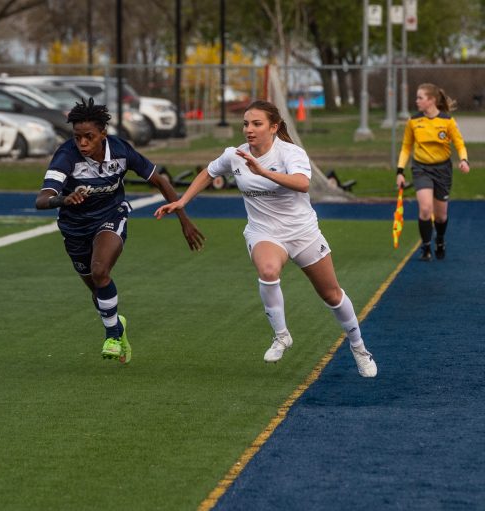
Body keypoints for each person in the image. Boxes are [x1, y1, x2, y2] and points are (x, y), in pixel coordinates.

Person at [154, 100, 377, 378]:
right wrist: (182, 201)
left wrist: (262, 171)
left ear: (274, 127)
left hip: (303, 232)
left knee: (331, 294)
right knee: (268, 270)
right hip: (264, 232)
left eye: (256, 124)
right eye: (246, 123)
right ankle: (281, 335)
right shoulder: (234, 155)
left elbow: (303, 183)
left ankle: (359, 349)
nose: (249, 129)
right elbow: (209, 173)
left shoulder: (290, 153)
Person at [36, 97, 204, 364]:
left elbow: (160, 180)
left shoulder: (121, 151)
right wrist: (62, 199)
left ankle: (112, 336)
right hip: (74, 227)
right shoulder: (66, 155)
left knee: (101, 270)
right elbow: (42, 199)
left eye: (88, 137)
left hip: (110, 216)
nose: (82, 143)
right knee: (97, 290)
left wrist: (184, 219)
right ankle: (117, 325)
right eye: (77, 137)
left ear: (103, 133)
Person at [396, 83, 470, 261]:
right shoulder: (413, 121)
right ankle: (426, 246)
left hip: (442, 169)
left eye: (420, 97)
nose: (417, 101)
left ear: (431, 100)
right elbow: (406, 147)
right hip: (421, 168)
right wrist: (400, 171)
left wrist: (464, 160)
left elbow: (459, 143)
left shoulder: (447, 121)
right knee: (425, 209)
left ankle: (440, 240)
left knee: (441, 215)